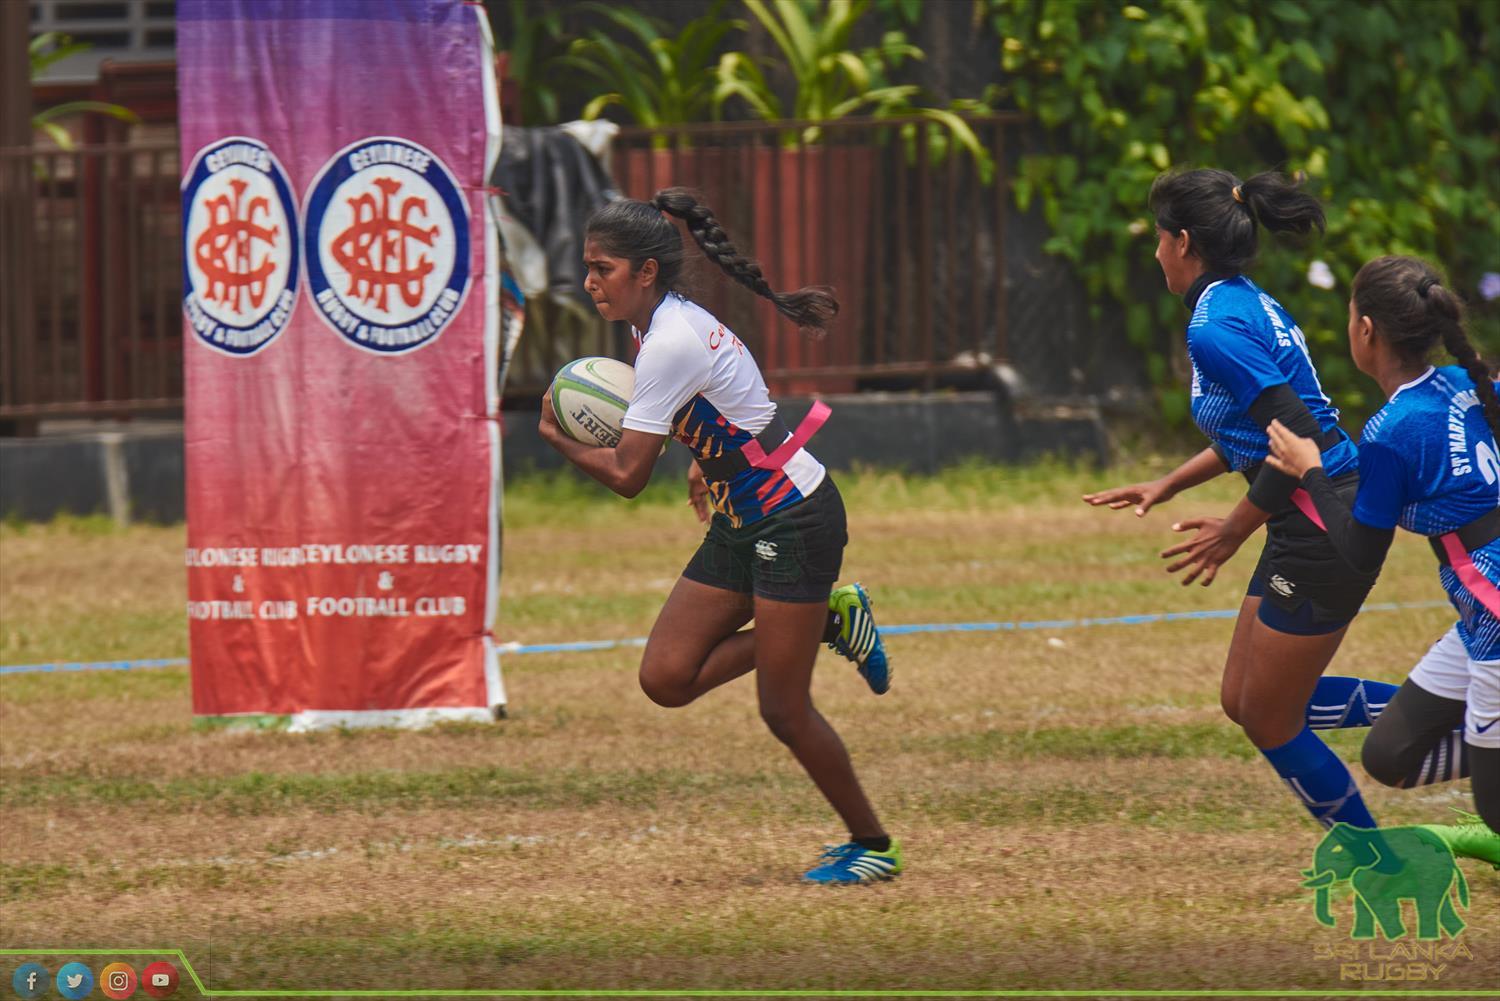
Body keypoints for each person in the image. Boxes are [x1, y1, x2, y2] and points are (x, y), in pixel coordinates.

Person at [537, 187, 899, 884]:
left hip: (791, 516)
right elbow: (736, 397)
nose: (589, 282)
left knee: (784, 709)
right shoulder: (654, 325)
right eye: (587, 266)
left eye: (602, 268)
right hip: (744, 512)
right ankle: (830, 618)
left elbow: (627, 474)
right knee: (666, 677)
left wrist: (556, 438)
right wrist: (709, 460)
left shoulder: (667, 339)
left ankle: (874, 844)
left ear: (646, 272)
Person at [1084, 168, 1387, 830]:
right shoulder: (1239, 301)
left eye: (1159, 239)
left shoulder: (1214, 328)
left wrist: (1232, 529)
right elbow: (1250, 430)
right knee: (1243, 699)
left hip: (1320, 517)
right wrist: (1168, 482)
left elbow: (1297, 432)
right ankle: (1451, 709)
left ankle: (1377, 857)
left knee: (1272, 718)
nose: (1157, 252)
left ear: (1183, 241)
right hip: (1304, 508)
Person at [1266, 255, 1500, 847]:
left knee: (1498, 813)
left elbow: (1358, 554)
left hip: (1495, 614)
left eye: (1349, 316)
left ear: (1366, 330)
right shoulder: (1465, 382)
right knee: (1390, 755)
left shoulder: (1392, 432)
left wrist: (1311, 470)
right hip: (1479, 615)